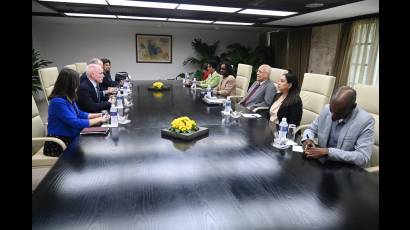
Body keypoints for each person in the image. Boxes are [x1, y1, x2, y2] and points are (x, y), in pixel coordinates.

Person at [301, 86, 375, 167]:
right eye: (331, 110)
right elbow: (311, 130)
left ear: (353, 107)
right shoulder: (327, 109)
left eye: (339, 113)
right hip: (322, 164)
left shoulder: (365, 121)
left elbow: (363, 157)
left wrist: (328, 152)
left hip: (346, 170)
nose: (332, 117)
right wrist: (308, 140)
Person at [45, 68, 110, 156]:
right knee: (93, 151)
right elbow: (75, 122)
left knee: (98, 145)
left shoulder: (68, 97)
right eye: (76, 83)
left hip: (72, 136)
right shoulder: (57, 102)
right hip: (59, 143)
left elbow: (79, 113)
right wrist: (99, 119)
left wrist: (98, 115)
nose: (78, 85)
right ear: (69, 84)